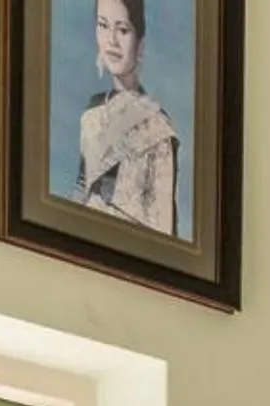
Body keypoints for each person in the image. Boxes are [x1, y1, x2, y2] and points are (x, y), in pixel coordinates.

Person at [76, 0, 179, 236]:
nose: (111, 40)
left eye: (122, 29)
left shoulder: (158, 126)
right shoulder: (91, 115)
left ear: (140, 44)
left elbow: (163, 225)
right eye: (103, 25)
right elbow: (81, 190)